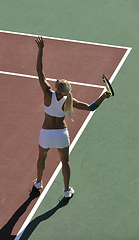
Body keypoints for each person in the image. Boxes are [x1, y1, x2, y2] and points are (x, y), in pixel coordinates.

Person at [33, 36, 111, 198]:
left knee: (42, 157)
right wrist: (103, 97)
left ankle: (38, 182)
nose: (56, 80)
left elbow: (39, 71)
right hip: (61, 135)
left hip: (46, 134)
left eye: (58, 81)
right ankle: (67, 190)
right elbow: (91, 107)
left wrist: (41, 50)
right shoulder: (69, 101)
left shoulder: (47, 93)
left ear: (57, 87)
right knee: (65, 161)